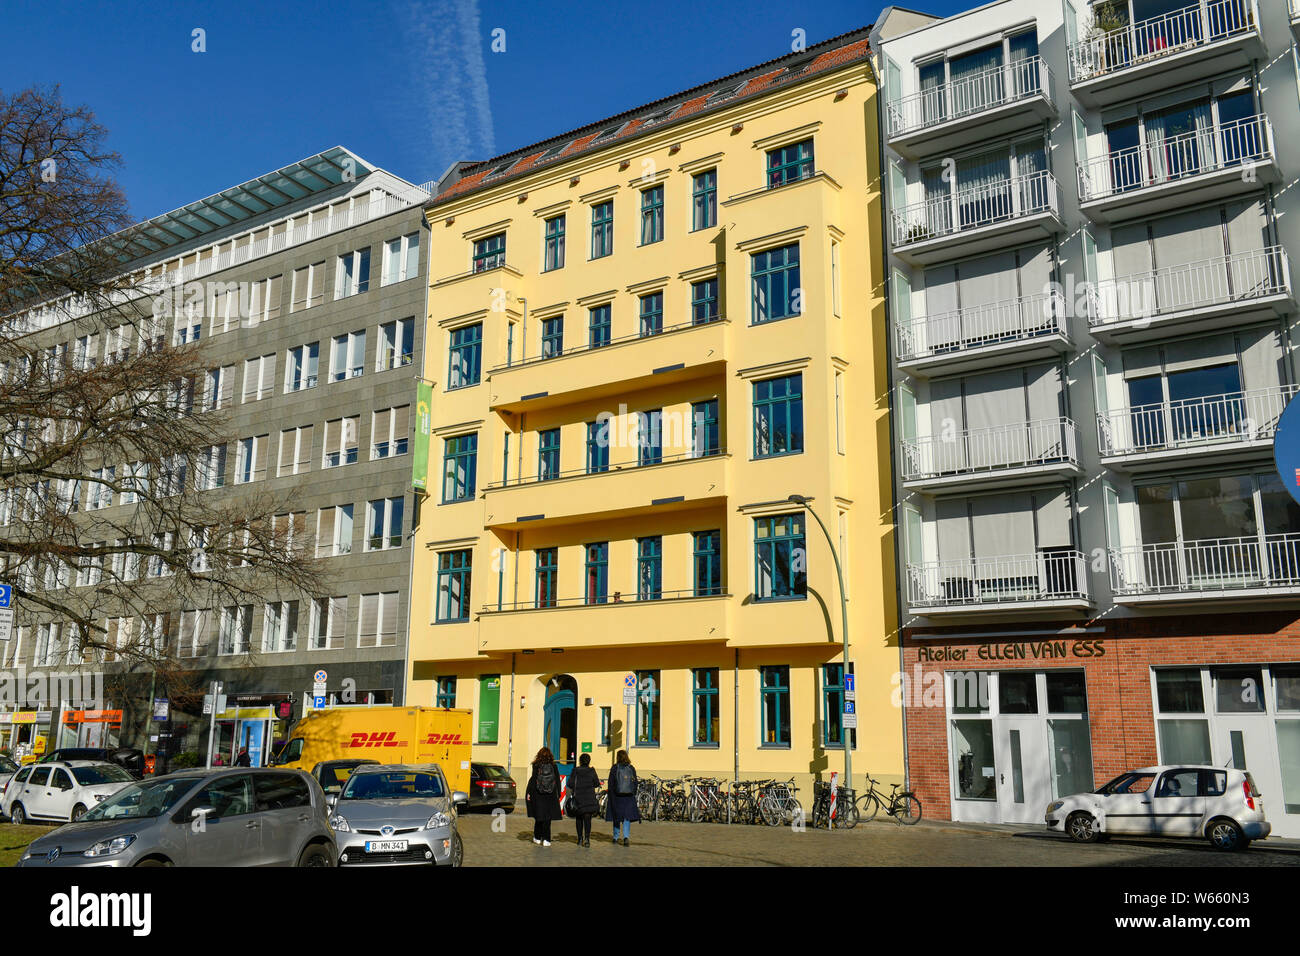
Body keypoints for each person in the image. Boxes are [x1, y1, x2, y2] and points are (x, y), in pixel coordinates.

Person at [525, 746, 562, 846]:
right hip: (550, 794)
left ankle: (537, 837)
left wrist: (529, 793)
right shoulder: (554, 766)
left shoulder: (536, 765)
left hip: (538, 794)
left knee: (539, 816)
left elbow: (533, 780)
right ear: (550, 756)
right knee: (547, 818)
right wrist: (558, 793)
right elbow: (557, 780)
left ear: (539, 755)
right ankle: (547, 840)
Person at [604, 749, 640, 846]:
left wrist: (611, 795)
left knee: (616, 817)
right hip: (628, 797)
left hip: (617, 796)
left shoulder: (615, 768)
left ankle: (615, 837)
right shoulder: (631, 768)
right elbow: (635, 782)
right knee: (626, 817)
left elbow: (611, 783)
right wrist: (633, 793)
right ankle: (626, 837)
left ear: (617, 757)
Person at [567, 753, 601, 848]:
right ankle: (587, 839)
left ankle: (579, 838)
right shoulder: (592, 771)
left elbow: (570, 784)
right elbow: (596, 783)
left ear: (580, 761)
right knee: (587, 819)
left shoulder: (576, 770)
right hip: (589, 798)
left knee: (579, 819)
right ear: (589, 761)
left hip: (578, 798)